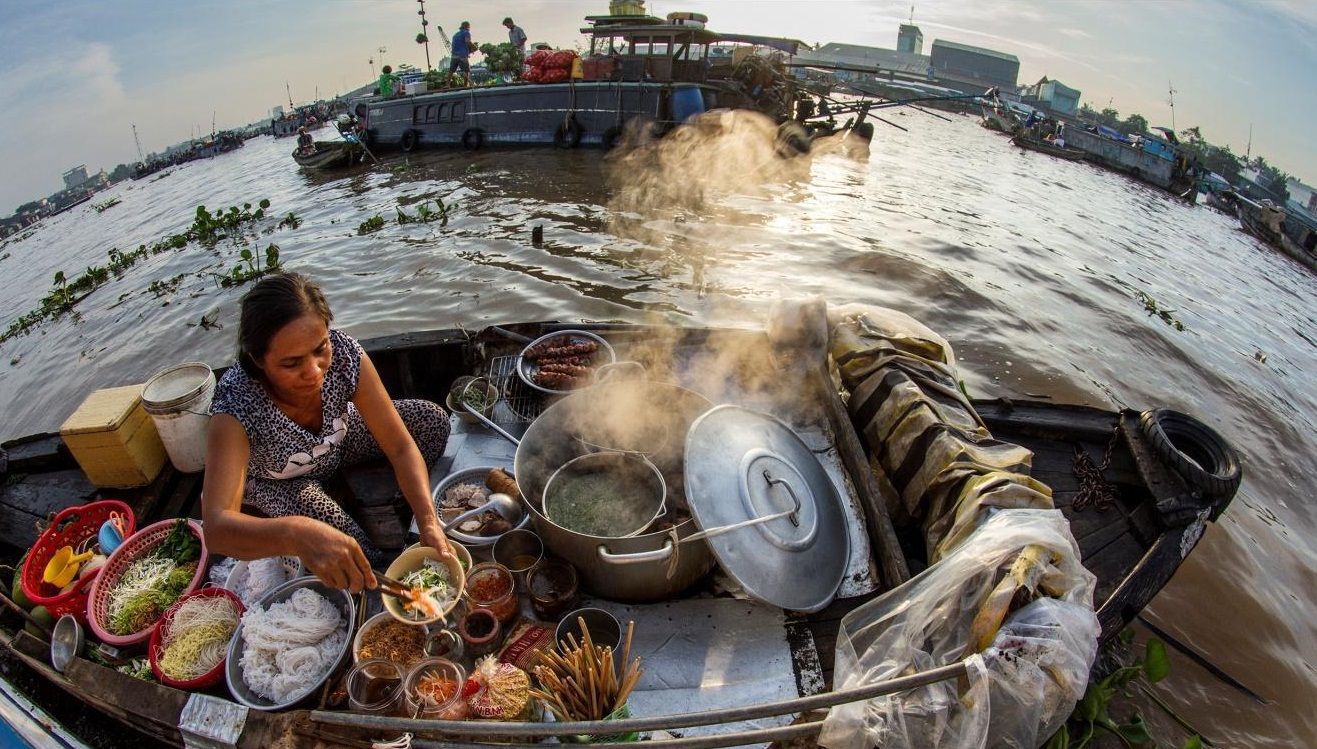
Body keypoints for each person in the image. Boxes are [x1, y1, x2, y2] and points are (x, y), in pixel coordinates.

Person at [201, 273, 453, 593]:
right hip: (281, 479)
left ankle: (377, 499)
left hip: (339, 440)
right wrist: (295, 532)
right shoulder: (235, 405)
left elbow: (401, 447)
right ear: (257, 360)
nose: (313, 371)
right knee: (348, 547)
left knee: (432, 423)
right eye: (291, 364)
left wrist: (427, 519)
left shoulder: (345, 353)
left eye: (320, 348)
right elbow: (217, 529)